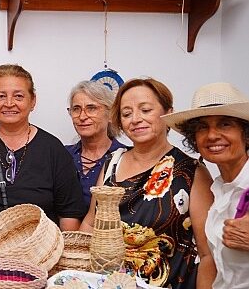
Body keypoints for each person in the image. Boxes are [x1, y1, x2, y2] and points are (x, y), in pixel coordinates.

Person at [79, 78, 214, 288]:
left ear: (167, 112)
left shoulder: (191, 172)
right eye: (126, 114)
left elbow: (207, 254)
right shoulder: (112, 163)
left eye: (145, 110)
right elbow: (90, 222)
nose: (135, 119)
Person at [0, 64, 87, 256]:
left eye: (18, 96)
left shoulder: (53, 150)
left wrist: (61, 259)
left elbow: (69, 214)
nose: (9, 103)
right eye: (1, 96)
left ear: (33, 101)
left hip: (38, 261)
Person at [162, 82, 249, 288]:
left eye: (225, 124)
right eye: (202, 127)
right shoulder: (217, 187)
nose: (211, 135)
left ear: (245, 133)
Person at [65, 80, 127, 207]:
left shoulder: (125, 158)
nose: (82, 116)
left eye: (91, 108)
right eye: (76, 109)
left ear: (110, 114)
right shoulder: (62, 154)